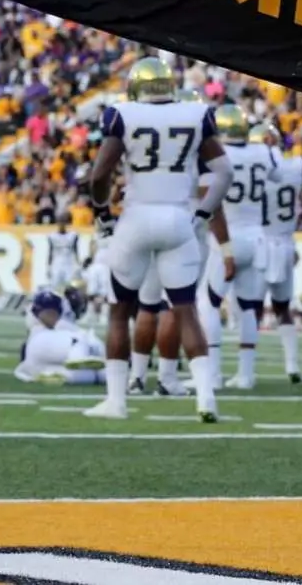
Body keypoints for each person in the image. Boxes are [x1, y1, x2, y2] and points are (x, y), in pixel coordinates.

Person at [82, 56, 231, 422]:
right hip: (179, 219)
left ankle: (117, 401)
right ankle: (206, 397)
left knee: (120, 312)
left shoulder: (122, 114)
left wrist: (102, 213)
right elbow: (224, 173)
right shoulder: (196, 114)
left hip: (136, 218)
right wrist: (202, 213)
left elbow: (99, 176)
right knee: (186, 310)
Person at [203, 104, 276, 389]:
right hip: (256, 236)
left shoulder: (218, 156)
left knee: (208, 304)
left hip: (227, 236)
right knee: (248, 307)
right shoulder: (263, 153)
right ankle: (246, 375)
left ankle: (213, 374)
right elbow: (280, 175)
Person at [257, 124, 302, 381]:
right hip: (285, 241)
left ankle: (247, 367)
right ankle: (292, 364)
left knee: (249, 307)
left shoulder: (253, 166)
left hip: (259, 241)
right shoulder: (295, 166)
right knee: (283, 308)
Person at [14, 290, 106, 385]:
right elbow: (76, 337)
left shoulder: (58, 324)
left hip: (39, 359)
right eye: (48, 312)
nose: (51, 315)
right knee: (79, 344)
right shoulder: (50, 327)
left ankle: (54, 374)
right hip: (44, 346)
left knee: (90, 376)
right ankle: (80, 357)